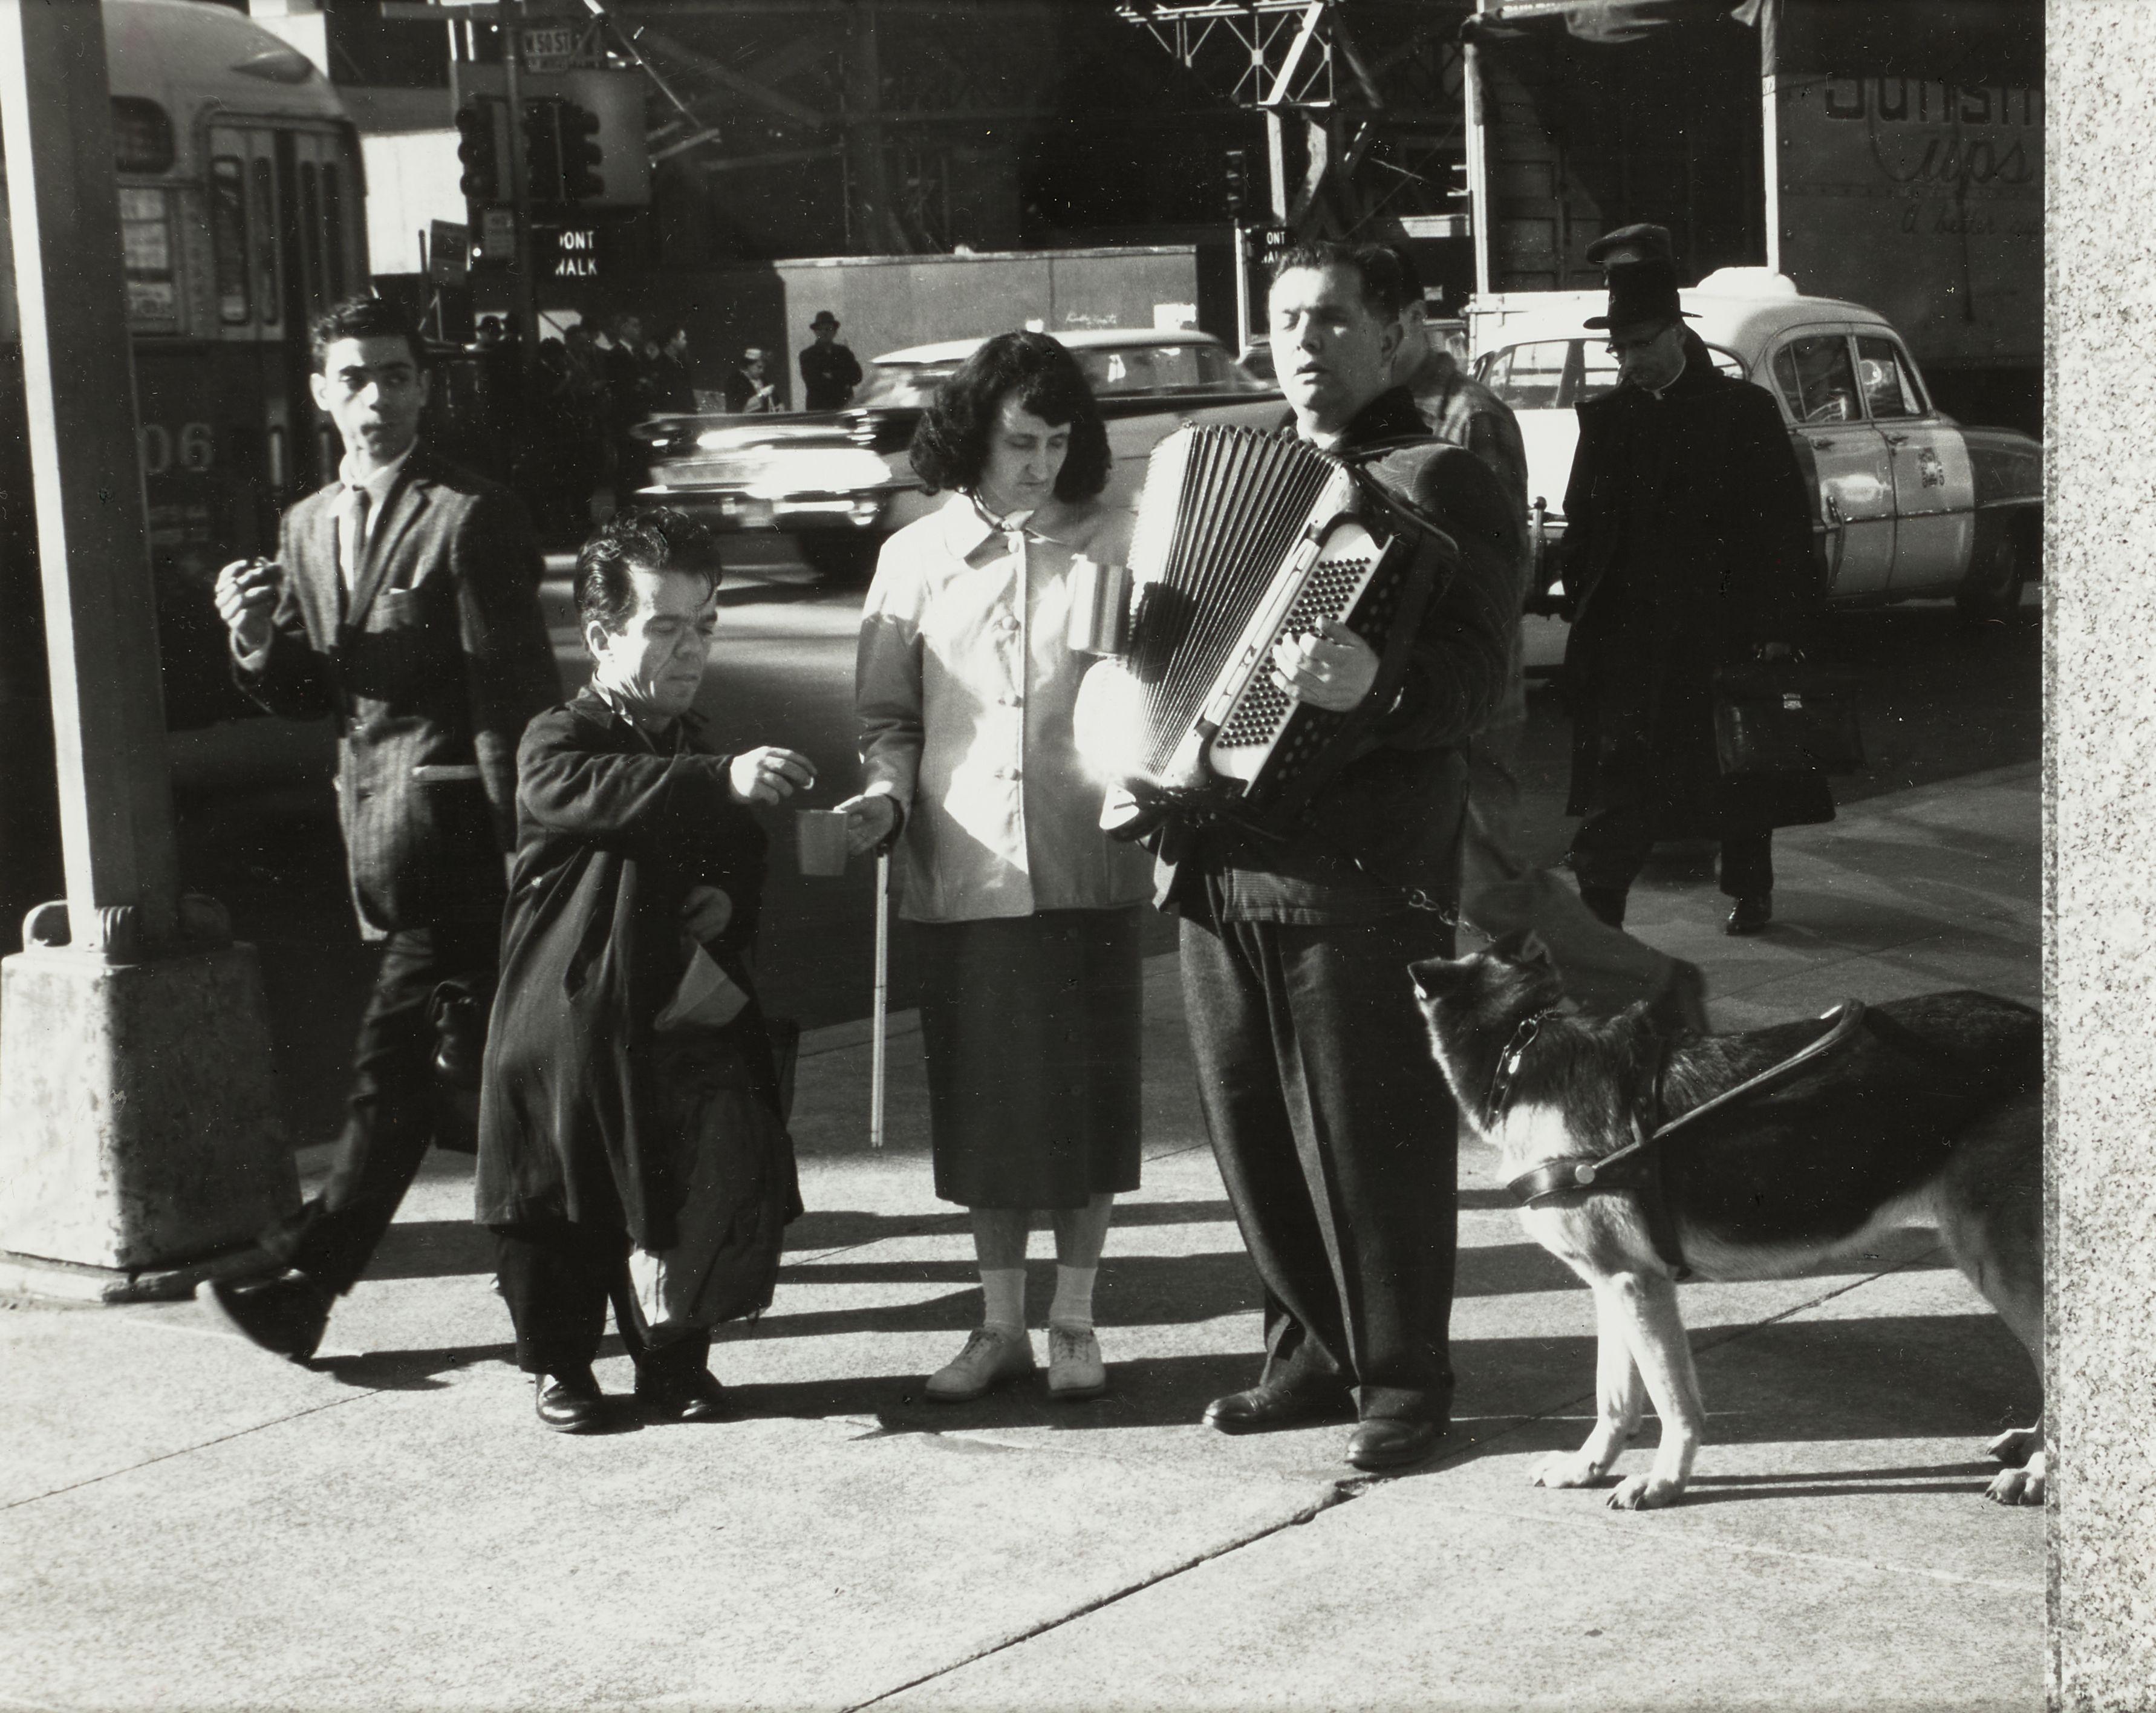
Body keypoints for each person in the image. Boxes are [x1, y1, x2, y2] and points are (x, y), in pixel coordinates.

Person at [1160, 243, 1516, 1472]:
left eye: (1328, 319)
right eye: (1282, 321)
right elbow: (1179, 633)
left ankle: (1407, 1384)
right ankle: (1310, 1356)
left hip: (1360, 871)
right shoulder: (1230, 465)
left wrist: (1385, 685)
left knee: (1373, 1137)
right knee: (1251, 1126)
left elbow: (1483, 683)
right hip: (1214, 854)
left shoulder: (1442, 479)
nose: (1300, 345)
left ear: (1400, 330)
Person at [200, 293, 559, 1361]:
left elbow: (512, 700)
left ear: (425, 387)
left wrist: (529, 852)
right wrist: (258, 639)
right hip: (375, 844)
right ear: (321, 393)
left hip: (462, 844)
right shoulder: (307, 524)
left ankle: (308, 1272)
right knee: (453, 1085)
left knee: (394, 1068)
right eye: (354, 378)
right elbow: (321, 690)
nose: (377, 397)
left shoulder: (470, 514)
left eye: (397, 375)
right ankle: (582, 1283)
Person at [841, 331, 1154, 1404]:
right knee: (984, 1113)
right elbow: (886, 718)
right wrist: (885, 791)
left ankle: (1075, 1319)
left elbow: (1148, 693)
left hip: (1088, 861)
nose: (1043, 464)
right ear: (975, 436)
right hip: (964, 869)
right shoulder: (912, 559)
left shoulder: (1115, 541)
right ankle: (999, 1324)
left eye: (1061, 441)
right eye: (1023, 441)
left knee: (1087, 1106)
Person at [474, 509, 813, 1431]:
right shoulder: (562, 733)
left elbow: (732, 860)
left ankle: (672, 1360)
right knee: (566, 1177)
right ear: (601, 635)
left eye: (704, 623)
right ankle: (560, 1367)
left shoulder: (694, 740)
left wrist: (721, 903)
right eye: (665, 625)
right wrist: (718, 781)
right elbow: (576, 793)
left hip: (671, 1002)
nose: (691, 646)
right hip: (572, 999)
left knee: (695, 1162)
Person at [1388, 250, 1708, 1028]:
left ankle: (1641, 987)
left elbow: (1490, 578)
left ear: (1396, 324)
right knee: (1455, 883)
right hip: (1400, 691)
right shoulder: (1383, 416)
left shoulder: (1469, 420)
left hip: (1461, 695)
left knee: (1486, 885)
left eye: (1333, 323)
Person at [1558, 224, 1832, 936]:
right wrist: (1577, 599)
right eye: (1618, 347)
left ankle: (1749, 886)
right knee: (1618, 790)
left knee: (1737, 776)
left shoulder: (1743, 414)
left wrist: (1778, 630)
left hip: (1719, 635)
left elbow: (1780, 529)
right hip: (1630, 643)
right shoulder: (1607, 420)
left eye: (1641, 343)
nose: (1629, 360)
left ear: (1678, 334)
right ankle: (1599, 920)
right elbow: (1582, 523)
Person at [798, 310, 864, 411]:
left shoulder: (844, 352)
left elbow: (857, 376)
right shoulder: (808, 355)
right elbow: (813, 381)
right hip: (820, 409)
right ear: (815, 332)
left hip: (844, 408)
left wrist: (831, 375)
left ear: (835, 332)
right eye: (820, 329)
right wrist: (843, 380)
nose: (824, 332)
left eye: (829, 329)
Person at [645, 322, 697, 415]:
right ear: (673, 340)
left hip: (684, 414)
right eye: (683, 339)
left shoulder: (683, 364)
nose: (686, 342)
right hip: (668, 414)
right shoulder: (659, 365)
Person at [723, 347, 779, 415]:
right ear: (748, 365)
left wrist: (779, 406)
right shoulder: (735, 381)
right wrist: (761, 395)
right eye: (759, 367)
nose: (762, 371)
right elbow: (737, 409)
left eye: (764, 368)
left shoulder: (763, 380)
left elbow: (776, 402)